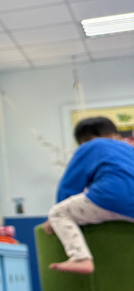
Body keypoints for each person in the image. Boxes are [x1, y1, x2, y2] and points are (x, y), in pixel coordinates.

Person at [43, 116, 134, 273]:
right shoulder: (129, 149)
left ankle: (80, 258)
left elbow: (69, 185)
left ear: (83, 141)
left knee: (58, 213)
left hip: (111, 196)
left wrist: (56, 214)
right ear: (117, 136)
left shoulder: (90, 147)